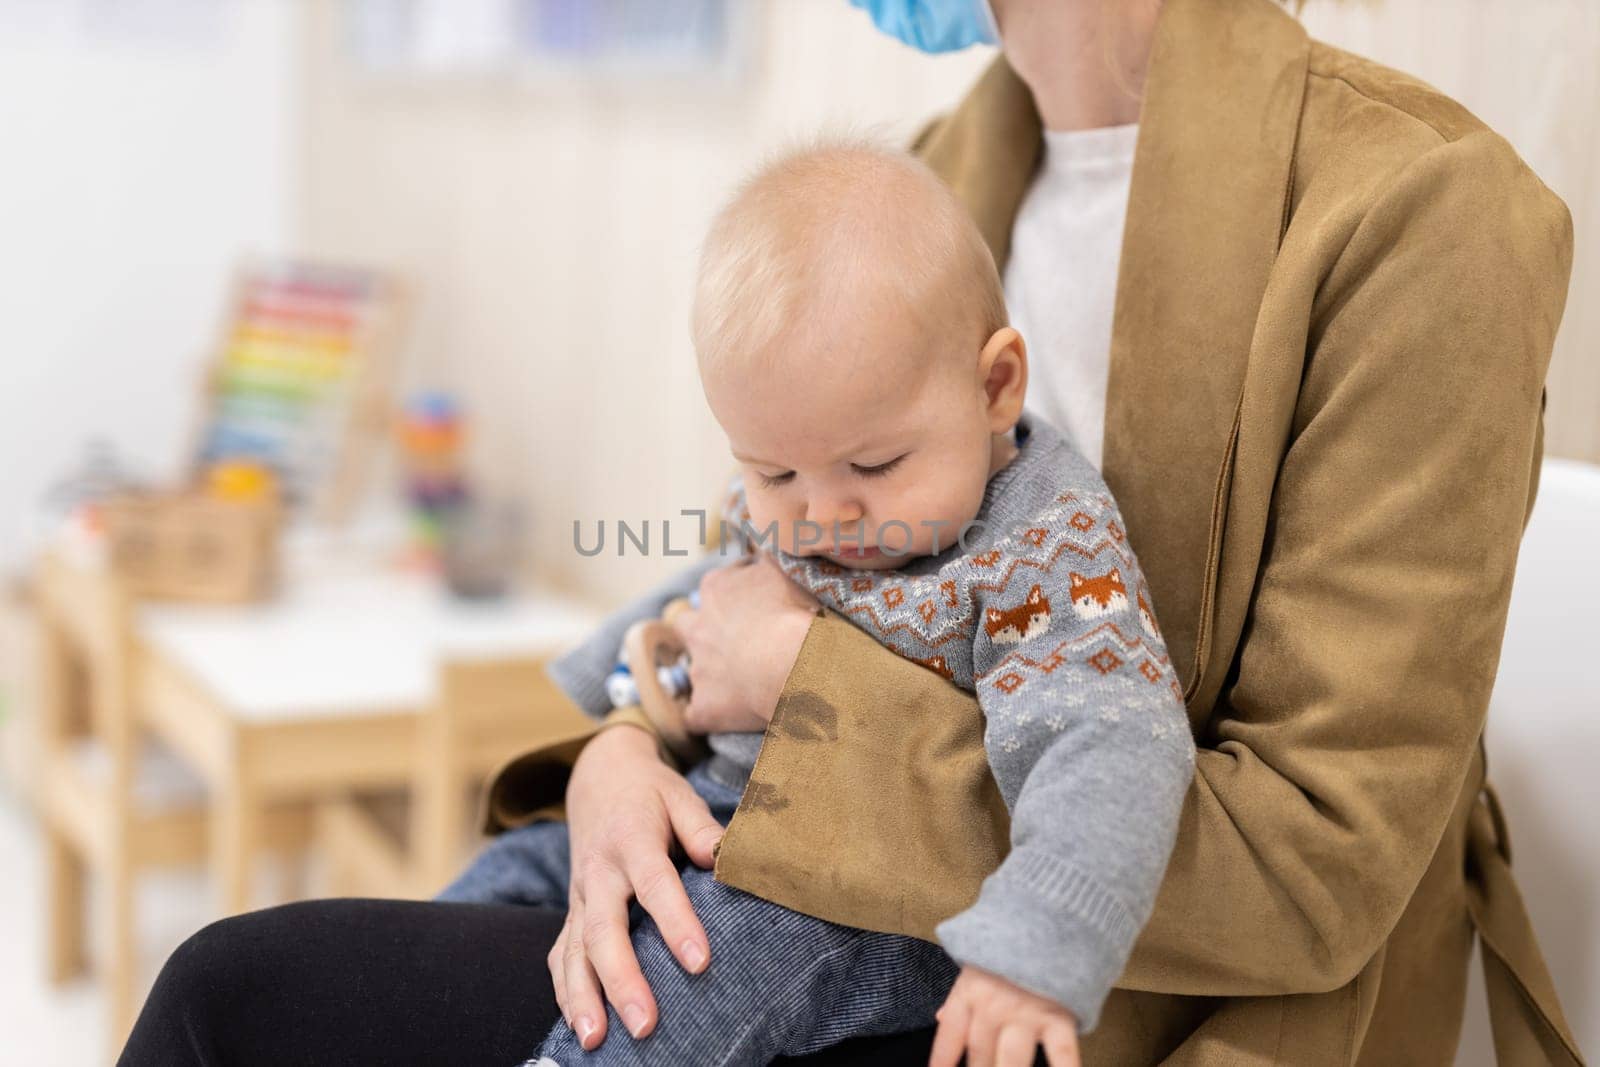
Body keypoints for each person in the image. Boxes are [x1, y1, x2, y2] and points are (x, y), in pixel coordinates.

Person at [121, 1, 1581, 1064]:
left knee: (234, 1004)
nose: (834, 492)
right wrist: (626, 749)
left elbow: (1310, 864)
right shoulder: (918, 180)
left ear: (998, 382)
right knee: (259, 981)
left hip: (1078, 982)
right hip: (754, 834)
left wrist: (809, 691)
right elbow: (738, 582)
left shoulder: (1414, 215)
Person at [435, 140, 1195, 1065]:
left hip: (864, 885)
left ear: (995, 387)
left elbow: (1109, 740)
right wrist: (625, 735)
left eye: (874, 467)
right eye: (773, 471)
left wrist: (1034, 951)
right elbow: (703, 608)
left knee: (703, 964)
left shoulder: (1050, 544)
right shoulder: (804, 502)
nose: (823, 515)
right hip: (716, 809)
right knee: (511, 876)